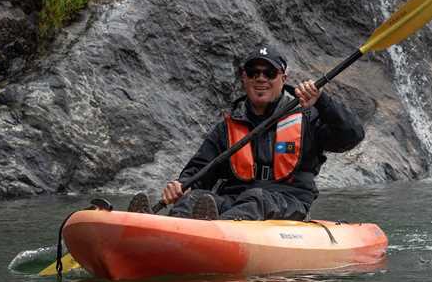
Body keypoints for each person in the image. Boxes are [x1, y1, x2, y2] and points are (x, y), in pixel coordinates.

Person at [131, 41, 365, 221]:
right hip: (233, 201)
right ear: (244, 78)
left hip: (288, 200)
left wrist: (323, 102)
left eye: (269, 73)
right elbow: (199, 170)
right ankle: (162, 236)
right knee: (194, 199)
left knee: (257, 198)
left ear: (283, 78)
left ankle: (212, 239)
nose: (260, 78)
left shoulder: (307, 116)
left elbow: (352, 136)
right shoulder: (229, 125)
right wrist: (182, 185)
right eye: (253, 73)